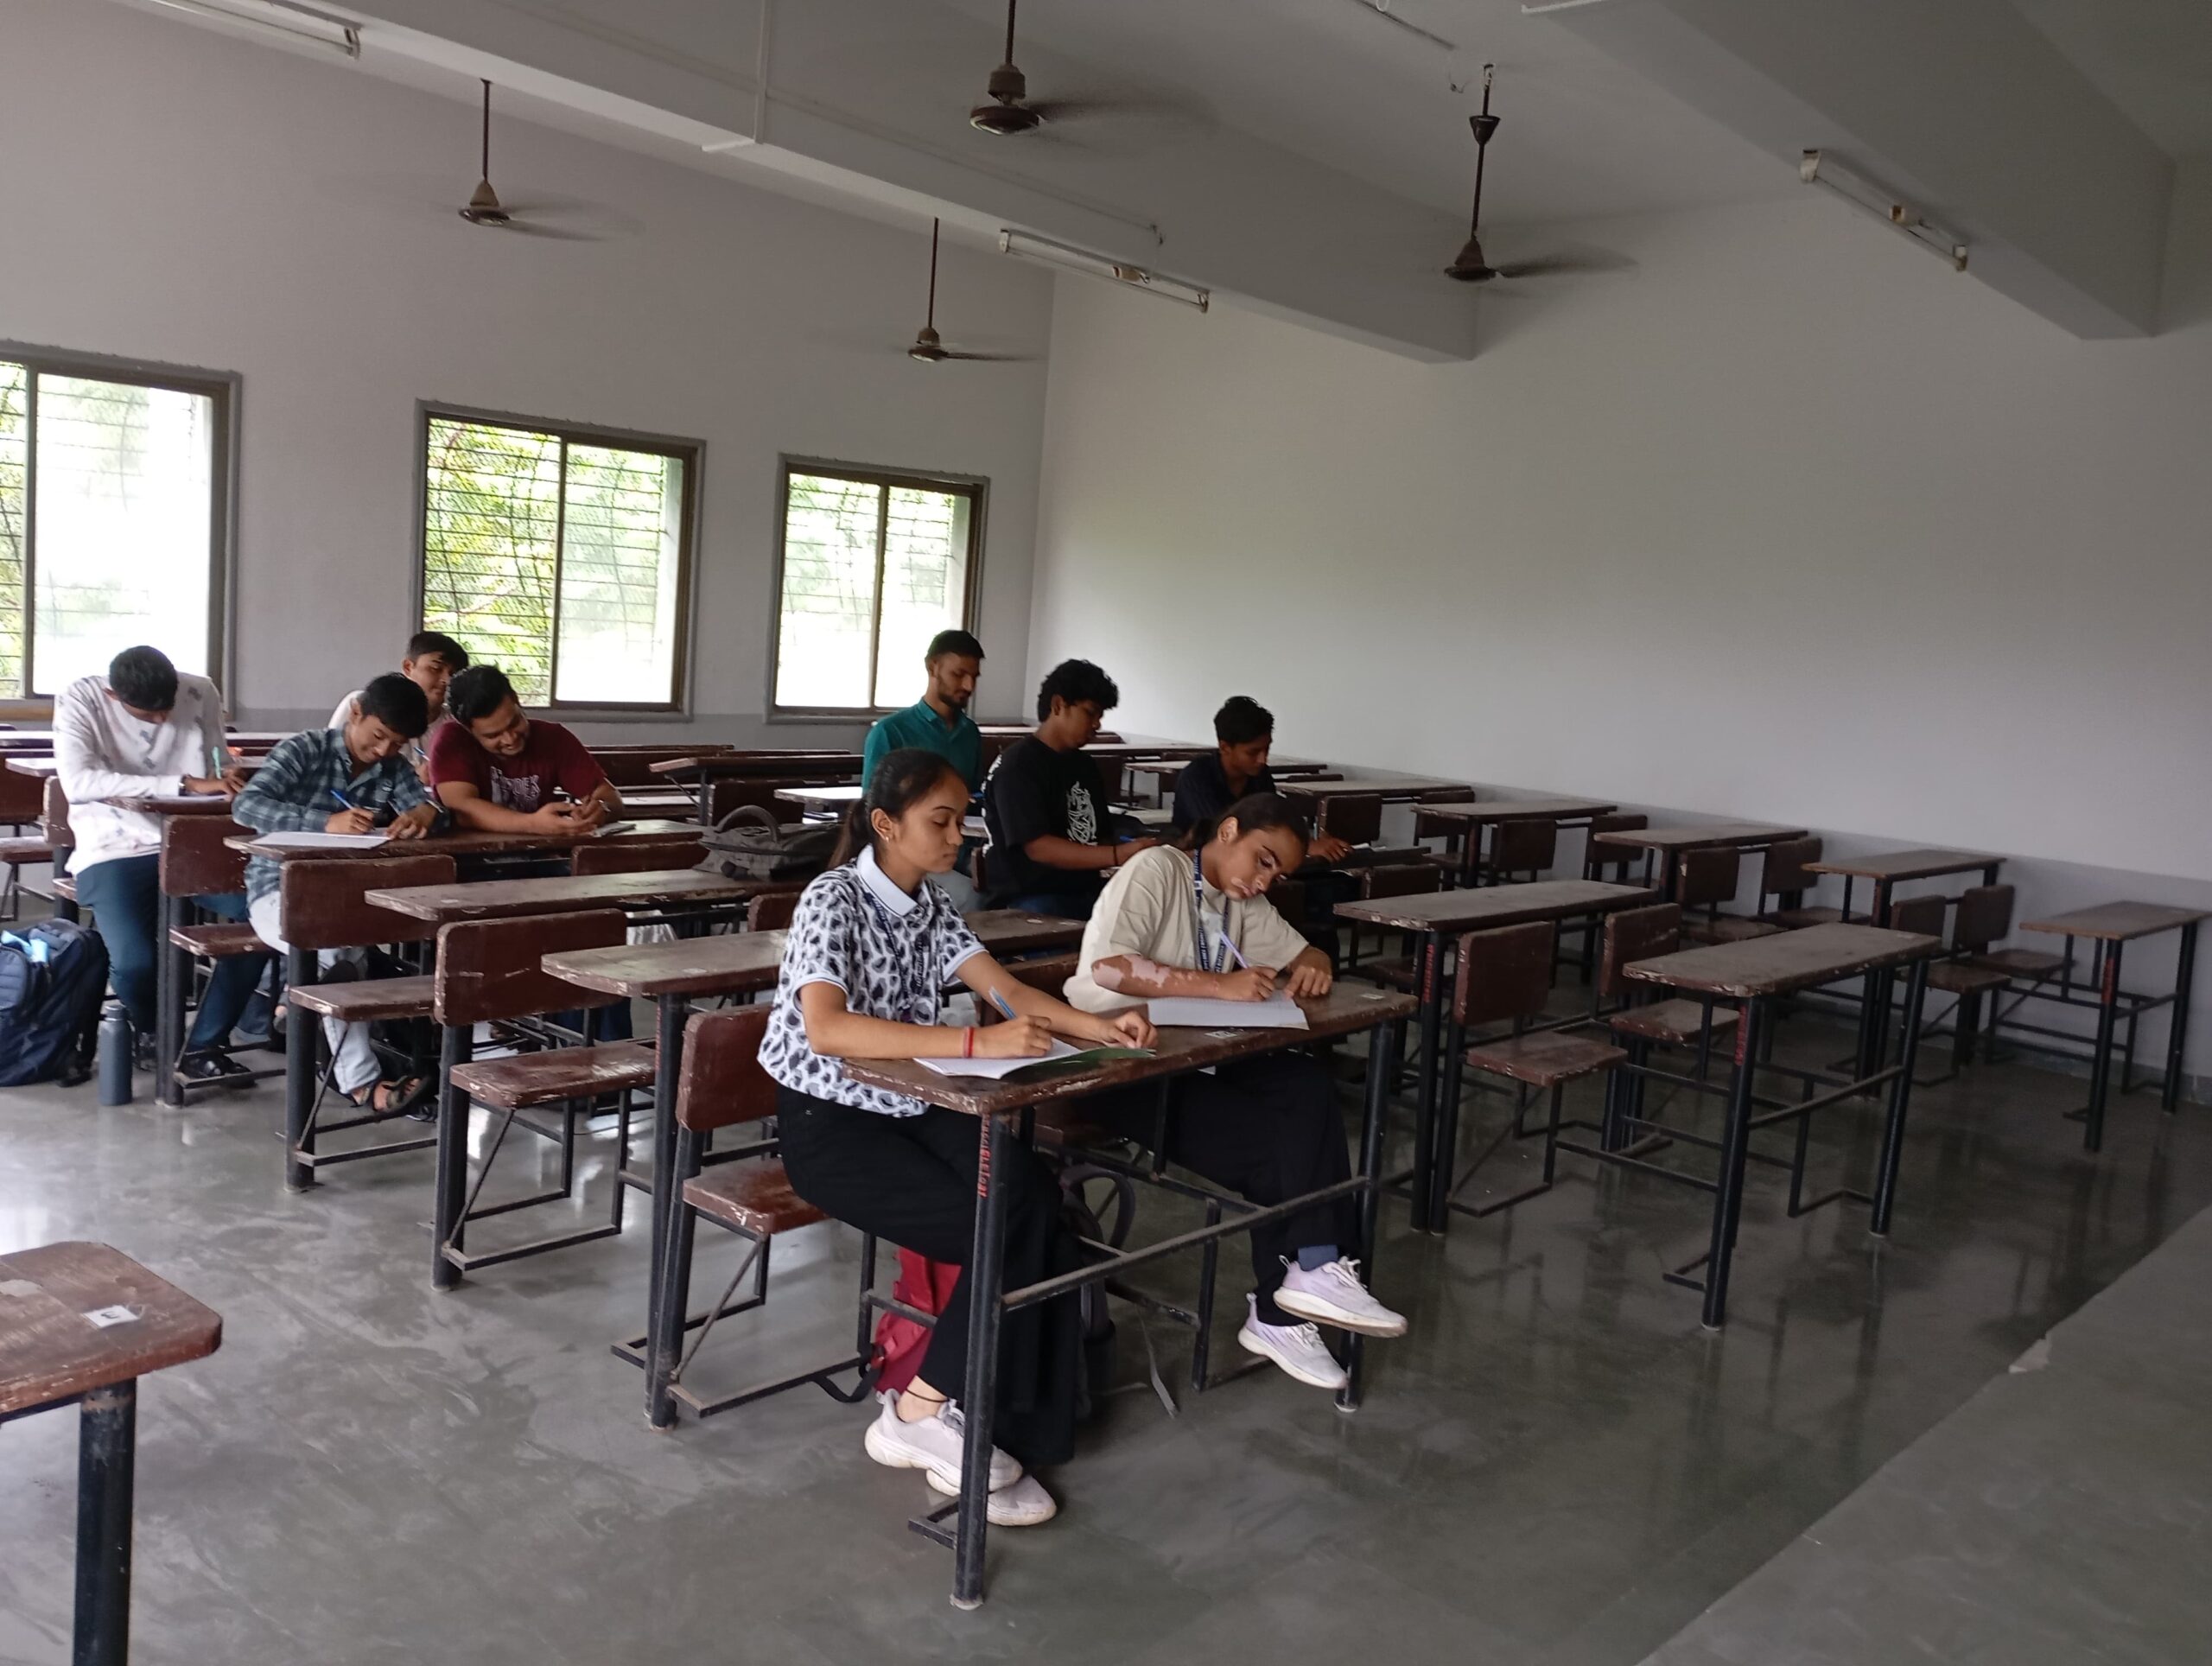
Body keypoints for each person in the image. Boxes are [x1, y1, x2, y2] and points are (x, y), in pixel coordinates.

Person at [762, 748, 1154, 1529]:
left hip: (911, 1103)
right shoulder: (833, 899)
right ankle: (920, 1410)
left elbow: (1002, 988)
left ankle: (1003, 1422)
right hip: (828, 1122)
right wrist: (978, 1045)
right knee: (997, 1226)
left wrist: (1099, 1026)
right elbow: (827, 1028)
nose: (957, 836)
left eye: (960, 819)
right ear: (885, 824)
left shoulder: (931, 903)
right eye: (940, 821)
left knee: (1032, 1200)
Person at [1065, 792, 1408, 1390]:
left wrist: (1316, 960)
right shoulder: (1158, 869)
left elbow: (1299, 950)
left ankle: (1315, 1271)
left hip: (1198, 1054)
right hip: (1122, 1063)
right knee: (1284, 1155)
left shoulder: (1238, 897)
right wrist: (1218, 985)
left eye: (1279, 875)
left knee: (1306, 1085)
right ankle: (1284, 1307)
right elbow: (1110, 969)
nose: (1265, 882)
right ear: (1227, 831)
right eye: (1263, 861)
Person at [54, 645, 264, 1081]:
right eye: (148, 715)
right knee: (135, 963)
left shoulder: (199, 690)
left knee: (267, 918)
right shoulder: (82, 699)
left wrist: (228, 775)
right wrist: (185, 782)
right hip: (114, 844)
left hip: (194, 842)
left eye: (167, 707)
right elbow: (79, 782)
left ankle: (203, 1043)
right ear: (114, 696)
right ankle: (151, 1030)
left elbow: (219, 759)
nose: (163, 719)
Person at [233, 673, 442, 1115]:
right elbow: (246, 806)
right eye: (378, 736)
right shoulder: (304, 749)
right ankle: (362, 1084)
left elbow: (424, 807)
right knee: (333, 955)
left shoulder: (393, 768)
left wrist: (426, 812)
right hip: (277, 891)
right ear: (356, 713)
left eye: (397, 744)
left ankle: (298, 1004)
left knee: (351, 954)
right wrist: (323, 823)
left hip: (349, 898)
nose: (383, 751)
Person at [981, 658, 1154, 916]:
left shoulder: (1085, 765)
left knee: (1147, 915)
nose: (1097, 724)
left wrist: (1141, 845)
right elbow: (1037, 847)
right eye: (1090, 713)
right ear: (1058, 705)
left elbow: (1101, 835)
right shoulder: (1018, 765)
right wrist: (1118, 854)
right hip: (1028, 896)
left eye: (1100, 716)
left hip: (1083, 890)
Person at [428, 664, 623, 832]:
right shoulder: (452, 741)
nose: (510, 739)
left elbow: (609, 797)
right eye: (493, 735)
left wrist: (601, 809)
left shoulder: (553, 738)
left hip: (542, 854)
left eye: (515, 722)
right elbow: (462, 810)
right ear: (467, 729)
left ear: (516, 700)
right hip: (470, 858)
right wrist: (533, 823)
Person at [1173, 695, 1351, 863]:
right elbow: (1225, 832)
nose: (1262, 760)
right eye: (1253, 752)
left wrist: (1308, 840)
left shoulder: (1260, 775)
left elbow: (1274, 817)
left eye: (1267, 749)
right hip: (1196, 866)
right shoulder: (1196, 776)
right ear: (1225, 747)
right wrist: (1305, 846)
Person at [327, 631, 468, 779]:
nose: (447, 680)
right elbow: (334, 759)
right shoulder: (364, 704)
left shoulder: (455, 724)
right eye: (435, 669)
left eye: (453, 674)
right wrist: (414, 778)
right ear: (408, 667)